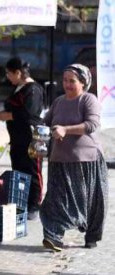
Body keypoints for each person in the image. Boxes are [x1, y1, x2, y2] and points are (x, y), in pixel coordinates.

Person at [40, 64, 107, 251]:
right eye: (65, 80)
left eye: (72, 81)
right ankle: (53, 237)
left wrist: (65, 129)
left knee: (90, 203)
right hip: (59, 159)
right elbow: (45, 123)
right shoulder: (59, 102)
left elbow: (92, 125)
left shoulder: (88, 100)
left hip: (85, 160)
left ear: (83, 83)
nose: (67, 84)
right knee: (54, 200)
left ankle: (91, 236)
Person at [0, 57, 44, 218]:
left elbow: (29, 114)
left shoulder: (33, 89)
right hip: (17, 139)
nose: (7, 77)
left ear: (18, 72)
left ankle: (34, 205)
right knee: (19, 170)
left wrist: (8, 115)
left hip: (31, 139)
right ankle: (21, 202)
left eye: (9, 73)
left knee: (32, 170)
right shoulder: (18, 88)